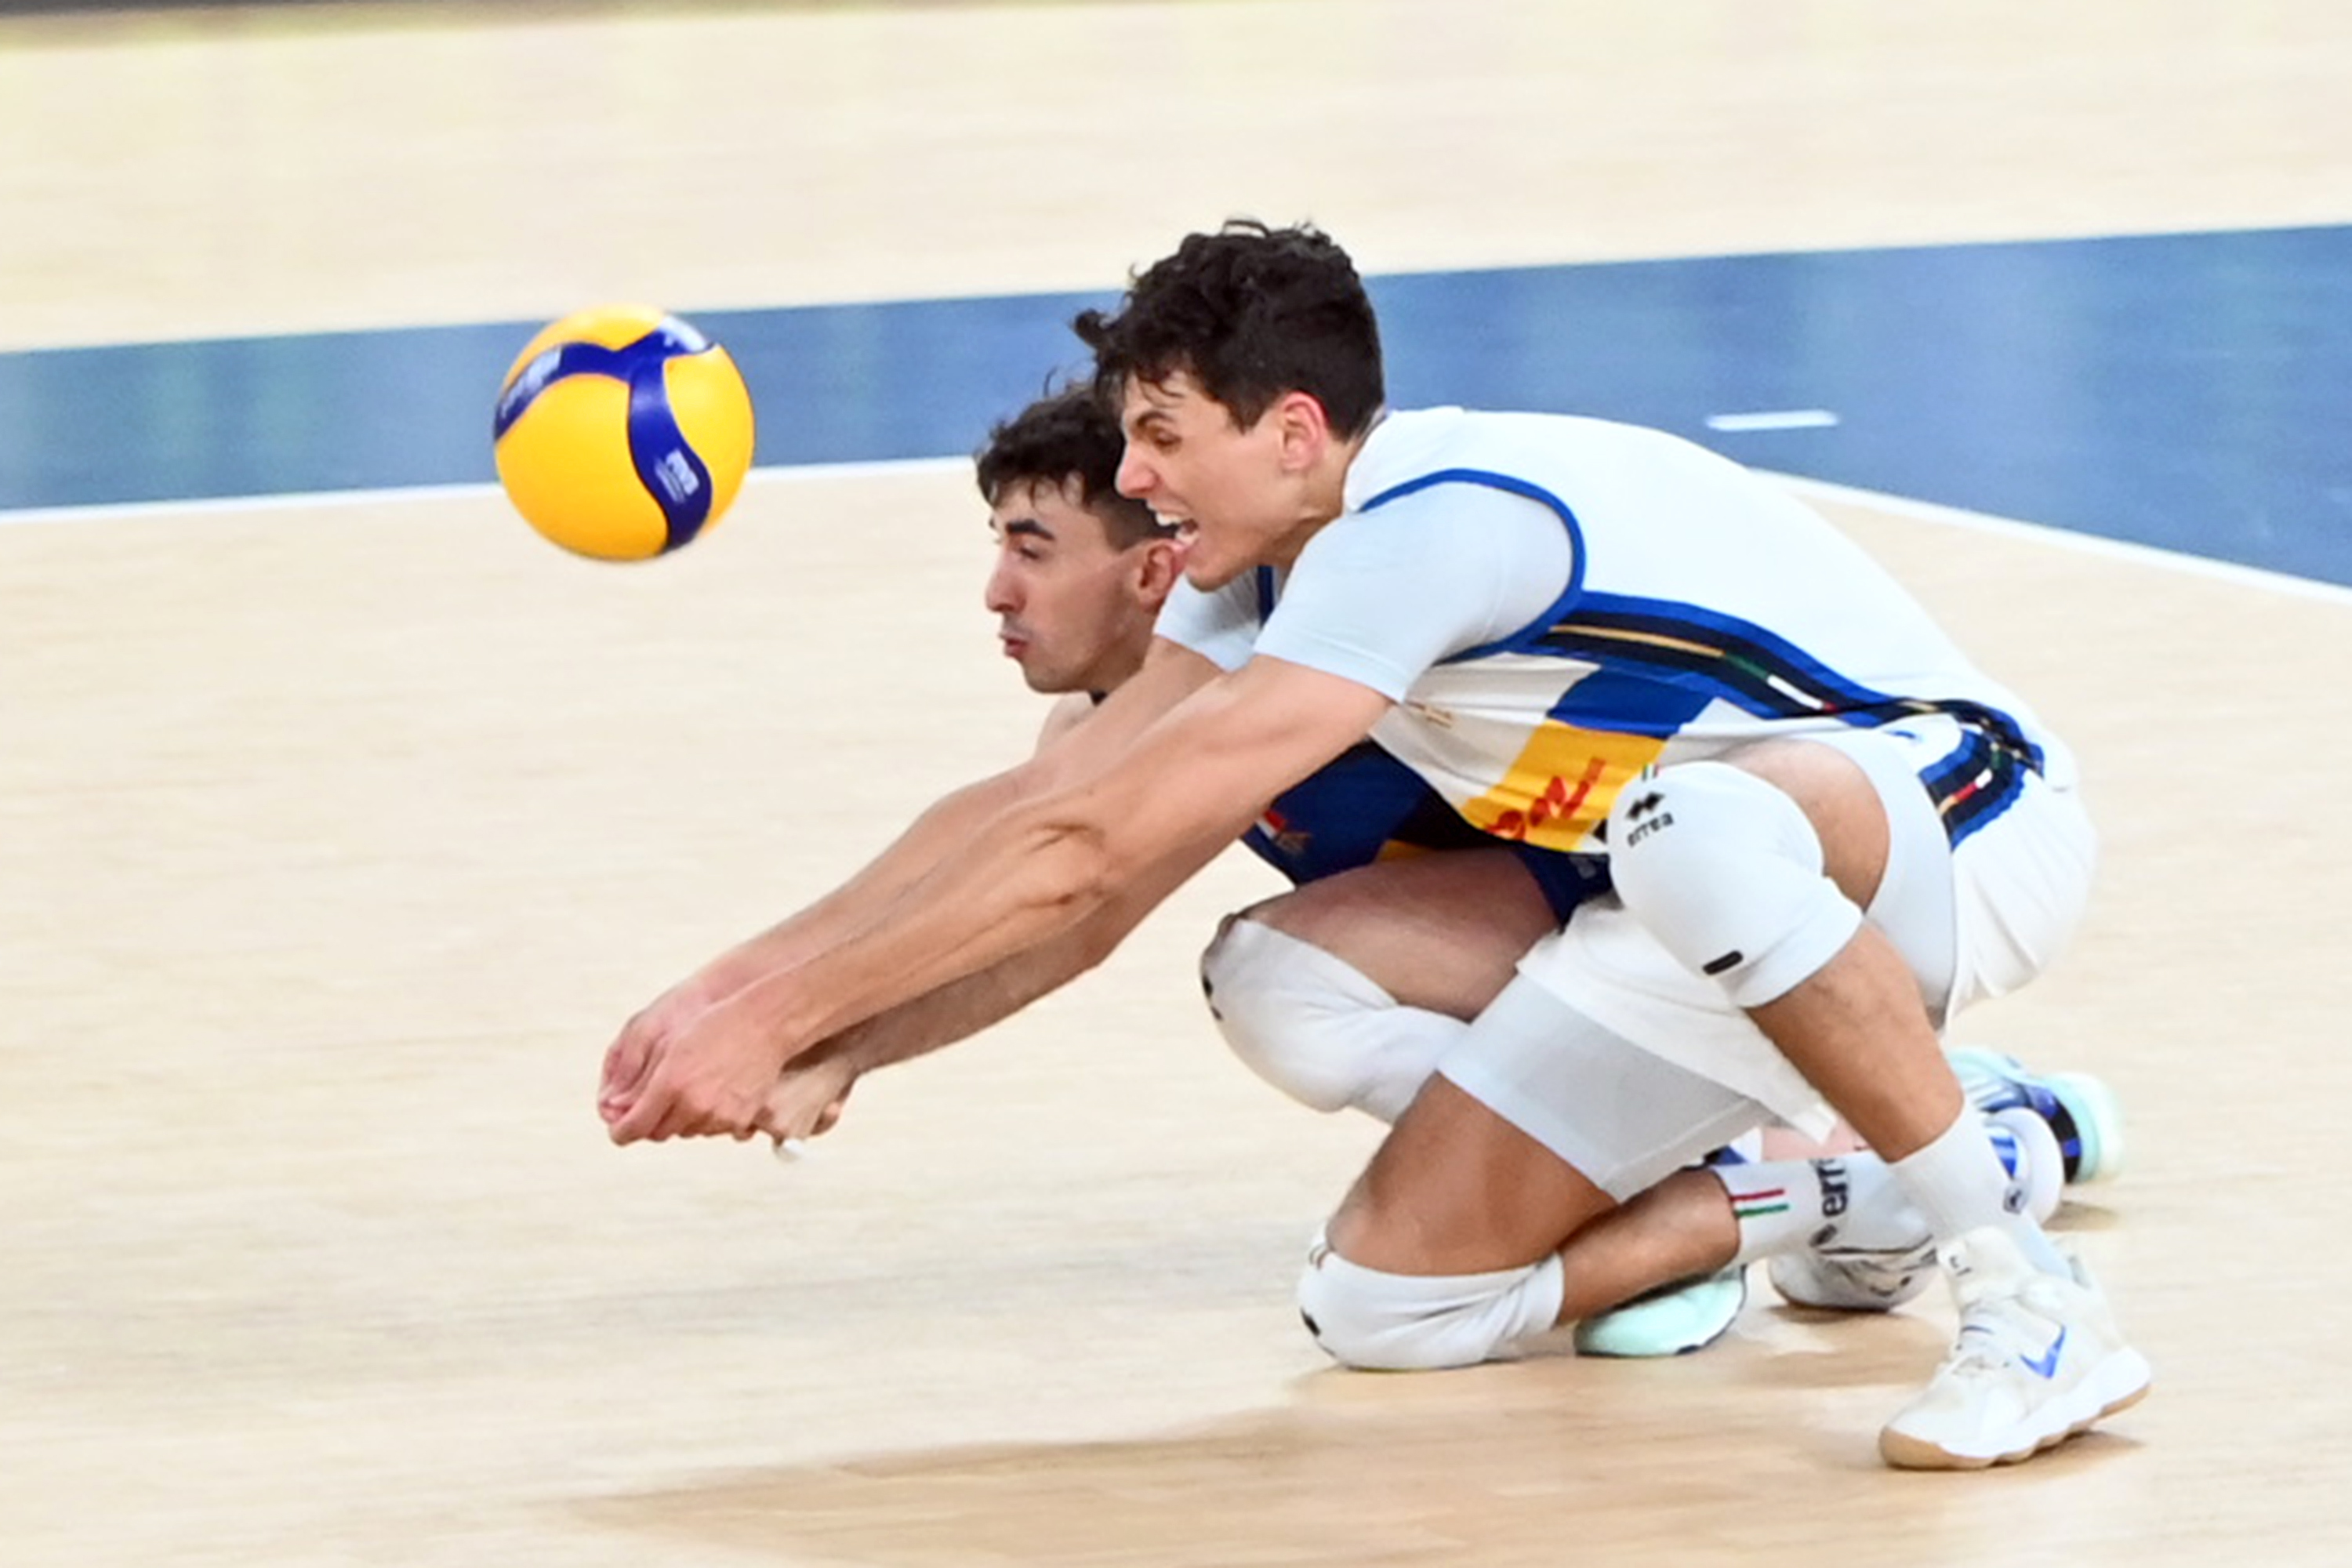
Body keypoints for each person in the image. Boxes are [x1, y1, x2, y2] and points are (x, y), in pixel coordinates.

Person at [597, 222, 2151, 1469]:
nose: (1133, 478)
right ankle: (1864, 1179)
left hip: (1950, 823)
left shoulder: (1433, 525)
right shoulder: (1247, 572)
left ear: (1292, 431)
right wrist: (768, 1007)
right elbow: (1056, 827)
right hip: (1675, 898)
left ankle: (2029, 1304)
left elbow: (1079, 855)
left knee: (1695, 825)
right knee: (1386, 1305)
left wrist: (780, 1020)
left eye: (1160, 436)